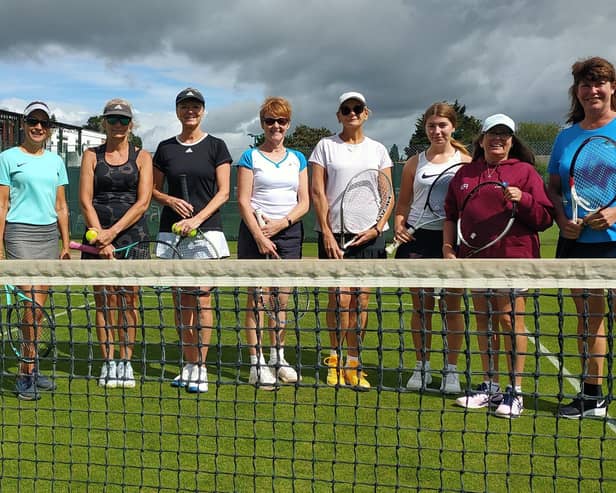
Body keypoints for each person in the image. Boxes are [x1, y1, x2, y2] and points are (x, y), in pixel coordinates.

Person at [443, 114, 553, 418]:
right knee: (483, 320)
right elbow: (451, 215)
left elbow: (545, 218)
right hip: (475, 260)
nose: (498, 139)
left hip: (515, 259)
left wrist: (525, 199)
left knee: (509, 321)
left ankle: (514, 391)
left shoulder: (525, 172)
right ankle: (489, 385)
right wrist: (448, 247)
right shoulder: (465, 173)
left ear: (512, 141)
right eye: (493, 134)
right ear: (482, 139)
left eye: (505, 135)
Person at [546, 56, 616, 419]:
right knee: (589, 321)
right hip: (578, 244)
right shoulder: (566, 137)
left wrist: (615, 213)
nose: (593, 90)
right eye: (585, 84)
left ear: (612, 88)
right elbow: (554, 187)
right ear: (577, 91)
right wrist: (563, 220)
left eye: (599, 83)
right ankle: (592, 396)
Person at [310, 91, 394, 390]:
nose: (352, 113)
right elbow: (317, 193)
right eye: (346, 109)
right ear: (339, 115)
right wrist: (327, 232)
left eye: (357, 108)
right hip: (335, 237)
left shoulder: (378, 150)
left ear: (366, 113)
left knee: (361, 302)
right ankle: (334, 359)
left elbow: (388, 194)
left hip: (370, 237)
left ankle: (354, 364)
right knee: (339, 299)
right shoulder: (324, 147)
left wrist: (378, 227)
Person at [153, 88, 232, 393]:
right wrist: (171, 201)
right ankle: (187, 365)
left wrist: (197, 219)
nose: (190, 111)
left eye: (195, 106)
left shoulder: (216, 146)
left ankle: (200, 367)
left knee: (201, 299)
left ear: (203, 110)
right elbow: (152, 192)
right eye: (185, 106)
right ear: (177, 111)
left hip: (206, 232)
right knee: (180, 300)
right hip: (171, 233)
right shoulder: (164, 148)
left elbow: (224, 192)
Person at [392, 102, 471, 393]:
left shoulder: (465, 161)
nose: (437, 131)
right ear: (425, 128)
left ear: (452, 127)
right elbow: (403, 204)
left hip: (452, 242)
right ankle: (421, 366)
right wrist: (399, 226)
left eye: (442, 125)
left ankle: (451, 371)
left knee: (452, 308)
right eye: (431, 126)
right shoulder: (415, 162)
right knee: (421, 308)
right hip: (417, 241)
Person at [79, 99, 153, 389]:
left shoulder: (143, 157)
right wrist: (100, 236)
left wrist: (113, 234)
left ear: (131, 124)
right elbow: (85, 201)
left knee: (128, 300)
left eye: (123, 120)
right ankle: (108, 363)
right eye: (113, 120)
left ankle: (126, 363)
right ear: (105, 123)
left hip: (133, 237)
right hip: (97, 235)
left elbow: (143, 201)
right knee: (104, 301)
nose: (118, 125)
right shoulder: (91, 155)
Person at [237, 97, 309, 389]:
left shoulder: (298, 159)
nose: (275, 126)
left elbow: (304, 202)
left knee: (281, 300)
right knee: (257, 299)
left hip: (289, 233)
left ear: (288, 124)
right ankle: (257, 364)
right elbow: (243, 200)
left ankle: (278, 357)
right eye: (269, 121)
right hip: (255, 233)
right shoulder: (249, 157)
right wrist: (259, 234)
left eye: (281, 121)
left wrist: (281, 224)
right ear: (262, 124)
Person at [0, 101, 71, 400]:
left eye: (44, 123)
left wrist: (65, 243)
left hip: (47, 238)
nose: (38, 127)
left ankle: (33, 367)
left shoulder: (56, 161)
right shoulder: (7, 158)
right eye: (33, 121)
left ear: (49, 128)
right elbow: (2, 204)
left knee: (37, 311)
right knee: (28, 307)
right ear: (24, 124)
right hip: (18, 234)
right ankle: (24, 374)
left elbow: (61, 205)